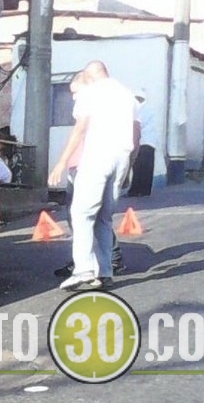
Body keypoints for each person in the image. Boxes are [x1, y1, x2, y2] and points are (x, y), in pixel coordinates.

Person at [48, 61, 137, 291]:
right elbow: (135, 129)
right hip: (121, 157)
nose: (75, 97)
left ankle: (83, 271)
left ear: (89, 76)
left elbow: (80, 128)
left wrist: (61, 162)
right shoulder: (126, 93)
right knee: (104, 218)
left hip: (98, 156)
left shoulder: (91, 91)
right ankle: (105, 272)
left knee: (81, 213)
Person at [127, 89, 156, 197]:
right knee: (147, 167)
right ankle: (145, 190)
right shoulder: (149, 108)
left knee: (138, 167)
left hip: (142, 141)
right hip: (151, 141)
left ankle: (135, 190)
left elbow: (137, 126)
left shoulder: (139, 110)